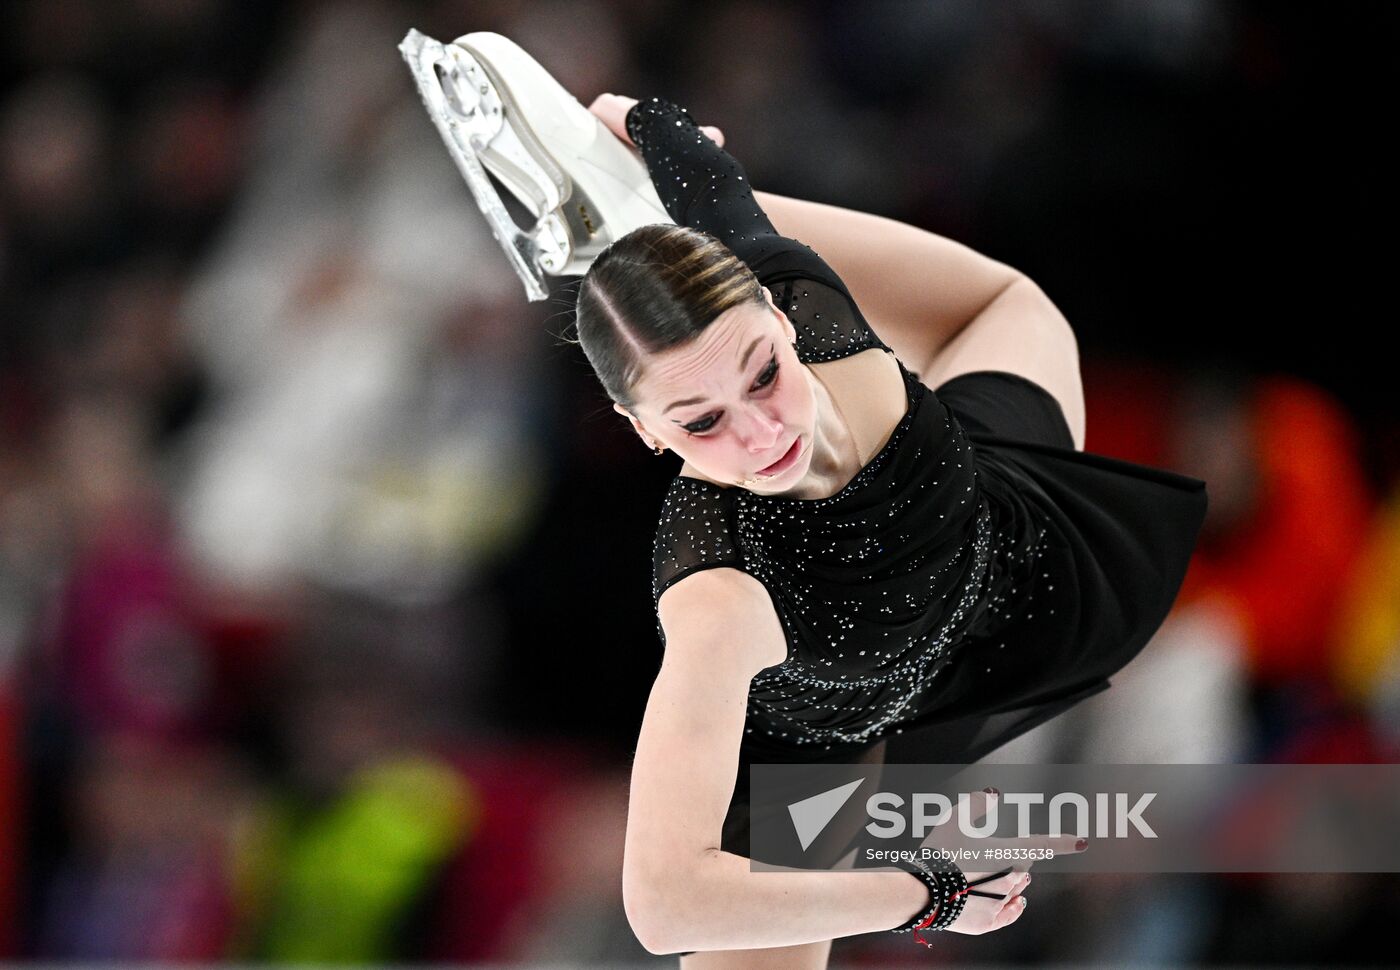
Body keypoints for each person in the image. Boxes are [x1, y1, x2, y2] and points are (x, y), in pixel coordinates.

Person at [405, 33, 1208, 968]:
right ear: (646, 438)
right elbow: (664, 904)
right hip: (821, 734)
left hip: (1006, 557)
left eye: (761, 372)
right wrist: (925, 891)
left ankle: (632, 231)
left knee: (1015, 310)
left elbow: (713, 183)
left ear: (783, 321)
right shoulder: (720, 594)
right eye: (699, 423)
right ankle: (631, 233)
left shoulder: (820, 319)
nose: (759, 432)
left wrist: (638, 133)